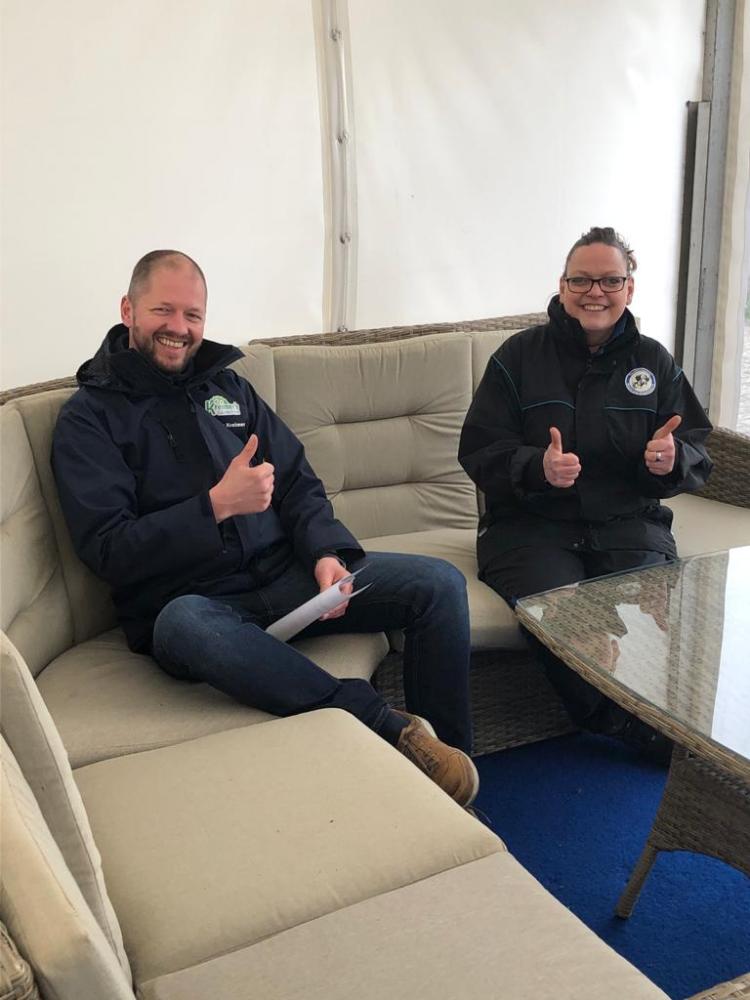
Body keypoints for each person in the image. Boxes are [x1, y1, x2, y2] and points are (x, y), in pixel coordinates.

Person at [52, 250, 478, 806]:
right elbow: (108, 548)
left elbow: (298, 482)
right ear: (128, 310)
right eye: (163, 311)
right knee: (184, 623)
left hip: (286, 579)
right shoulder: (88, 417)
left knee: (438, 584)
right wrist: (213, 507)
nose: (179, 328)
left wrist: (325, 554)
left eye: (193, 315)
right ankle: (381, 724)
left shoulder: (229, 389)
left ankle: (452, 775)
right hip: (194, 604)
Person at [458, 226, 712, 761]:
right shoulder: (518, 356)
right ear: (562, 285)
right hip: (531, 527)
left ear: (629, 289)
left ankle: (678, 722)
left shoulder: (654, 361)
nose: (595, 292)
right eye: (582, 280)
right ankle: (631, 727)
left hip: (628, 523)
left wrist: (672, 460)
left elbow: (694, 445)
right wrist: (537, 467)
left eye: (610, 280)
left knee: (667, 614)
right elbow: (478, 450)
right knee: (559, 614)